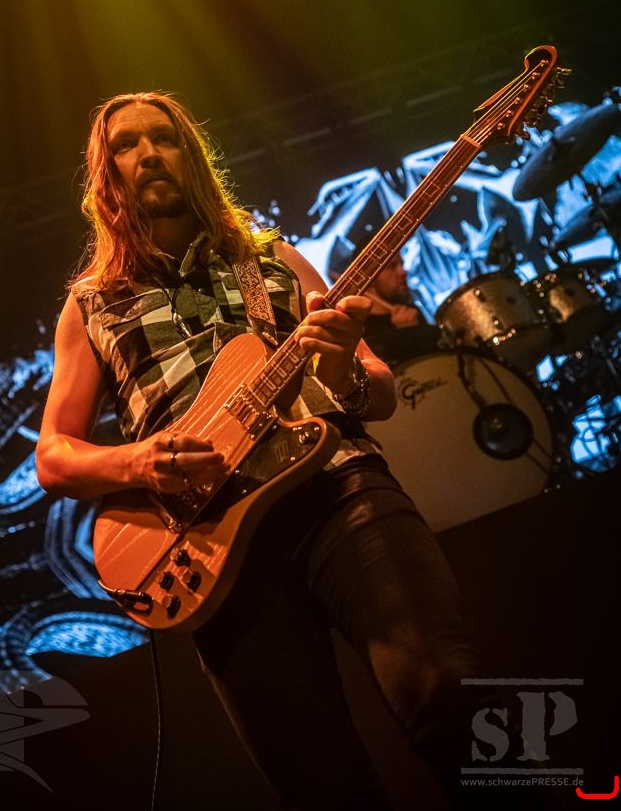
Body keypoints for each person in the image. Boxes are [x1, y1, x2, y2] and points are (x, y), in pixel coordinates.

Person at [36, 91, 560, 810]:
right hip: (212, 550)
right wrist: (139, 461)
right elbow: (54, 456)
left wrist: (341, 364)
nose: (148, 153)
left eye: (164, 137)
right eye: (127, 144)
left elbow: (377, 389)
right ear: (106, 174)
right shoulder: (91, 302)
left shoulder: (274, 259)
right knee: (324, 789)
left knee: (449, 692)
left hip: (339, 492)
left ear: (193, 157)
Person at [330, 243, 444, 368]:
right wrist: (408, 334)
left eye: (401, 264)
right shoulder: (357, 329)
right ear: (368, 276)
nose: (403, 272)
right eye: (391, 266)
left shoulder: (411, 311)